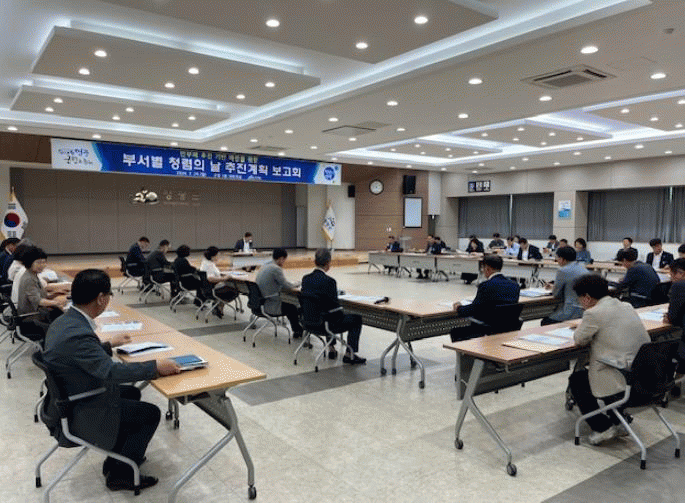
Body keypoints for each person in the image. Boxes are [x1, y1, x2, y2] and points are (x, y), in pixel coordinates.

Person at [43, 269, 181, 491]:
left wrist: (108, 345)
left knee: (132, 393)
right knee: (149, 414)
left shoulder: (65, 321)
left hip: (70, 396)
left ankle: (119, 457)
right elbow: (110, 371)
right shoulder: (78, 333)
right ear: (101, 298)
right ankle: (121, 475)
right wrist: (155, 367)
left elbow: (81, 355)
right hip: (78, 409)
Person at [569, 274, 649, 445]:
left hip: (622, 378)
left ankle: (602, 427)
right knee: (605, 372)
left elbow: (579, 340)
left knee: (578, 380)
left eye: (580, 299)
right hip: (643, 375)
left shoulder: (593, 313)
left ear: (587, 297)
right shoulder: (626, 306)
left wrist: (582, 324)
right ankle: (619, 421)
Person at [301, 249, 366, 364]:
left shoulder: (305, 279)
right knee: (356, 319)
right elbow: (334, 307)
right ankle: (349, 354)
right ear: (328, 263)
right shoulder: (330, 282)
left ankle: (331, 348)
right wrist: (342, 312)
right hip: (324, 324)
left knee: (325, 311)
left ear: (315, 262)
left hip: (308, 322)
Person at [449, 255, 520, 342]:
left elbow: (474, 309)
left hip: (487, 328)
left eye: (483, 268)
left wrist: (459, 307)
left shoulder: (486, 285)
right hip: (508, 328)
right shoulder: (515, 285)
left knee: (456, 332)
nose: (482, 271)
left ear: (487, 269)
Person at [17, 247, 69, 333]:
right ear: (29, 262)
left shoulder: (32, 275)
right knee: (63, 316)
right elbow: (38, 301)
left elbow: (39, 295)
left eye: (44, 262)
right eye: (38, 262)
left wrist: (54, 294)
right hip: (31, 318)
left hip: (36, 314)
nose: (42, 265)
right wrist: (56, 303)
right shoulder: (29, 279)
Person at [255, 248, 303, 339]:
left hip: (261, 302)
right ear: (281, 258)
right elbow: (287, 285)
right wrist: (298, 283)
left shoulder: (264, 265)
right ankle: (297, 330)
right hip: (271, 302)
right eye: (284, 260)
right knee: (293, 306)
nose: (284, 262)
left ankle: (298, 329)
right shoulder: (276, 269)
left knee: (290, 303)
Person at [540, 246, 587, 325]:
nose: (557, 261)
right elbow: (571, 286)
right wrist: (553, 286)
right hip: (583, 310)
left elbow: (556, 294)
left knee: (545, 321)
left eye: (557, 258)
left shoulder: (563, 270)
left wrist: (554, 288)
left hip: (570, 311)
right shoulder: (583, 269)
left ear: (562, 259)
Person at [200, 246, 239, 318]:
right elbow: (210, 278)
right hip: (213, 290)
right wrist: (224, 278)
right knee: (234, 291)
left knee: (227, 288)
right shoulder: (209, 265)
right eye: (218, 255)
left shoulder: (205, 262)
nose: (219, 257)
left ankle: (218, 305)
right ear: (213, 256)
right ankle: (219, 306)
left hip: (206, 289)